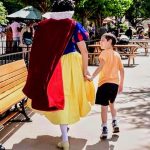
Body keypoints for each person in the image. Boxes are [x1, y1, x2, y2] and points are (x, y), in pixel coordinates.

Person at [23, 0, 95, 150]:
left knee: (58, 97)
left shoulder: (43, 25)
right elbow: (84, 51)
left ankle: (64, 136)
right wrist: (85, 70)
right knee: (68, 97)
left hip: (52, 65)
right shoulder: (74, 25)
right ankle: (64, 137)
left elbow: (37, 51)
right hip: (71, 63)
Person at [89, 33, 124, 139]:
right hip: (114, 84)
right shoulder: (117, 55)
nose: (100, 42)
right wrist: (121, 83)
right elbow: (122, 70)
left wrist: (92, 77)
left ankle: (104, 128)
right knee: (112, 104)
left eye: (102, 40)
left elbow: (100, 67)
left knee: (104, 107)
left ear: (109, 42)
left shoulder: (104, 53)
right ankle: (114, 121)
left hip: (104, 83)